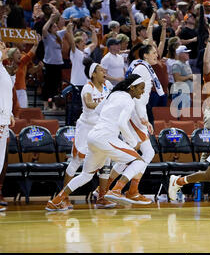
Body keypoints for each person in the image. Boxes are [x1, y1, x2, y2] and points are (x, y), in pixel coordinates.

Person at [46, 74, 146, 211]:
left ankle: (56, 200)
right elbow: (122, 123)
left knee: (86, 175)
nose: (143, 91)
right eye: (141, 88)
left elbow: (98, 110)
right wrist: (133, 142)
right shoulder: (129, 101)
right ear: (132, 87)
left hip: (93, 136)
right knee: (139, 161)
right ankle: (116, 190)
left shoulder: (113, 94)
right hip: (106, 137)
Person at [102, 44, 163, 205]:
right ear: (145, 55)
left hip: (135, 114)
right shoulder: (143, 69)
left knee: (131, 155)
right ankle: (123, 189)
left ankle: (106, 190)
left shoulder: (141, 67)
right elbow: (137, 97)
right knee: (147, 153)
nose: (157, 55)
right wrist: (143, 118)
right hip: (135, 115)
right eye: (154, 53)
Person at [62, 58, 115, 209]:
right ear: (93, 74)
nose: (104, 71)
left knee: (106, 161)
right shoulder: (88, 88)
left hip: (102, 129)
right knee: (76, 161)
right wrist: (107, 104)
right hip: (86, 129)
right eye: (100, 70)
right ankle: (63, 197)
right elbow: (89, 103)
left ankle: (102, 197)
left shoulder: (108, 86)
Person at [0, 49, 15, 212]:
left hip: (4, 119)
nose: (4, 49)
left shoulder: (3, 69)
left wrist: (10, 113)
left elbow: (4, 94)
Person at [42, 12, 66, 111]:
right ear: (51, 29)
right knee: (48, 85)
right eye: (54, 27)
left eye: (57, 26)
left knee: (56, 86)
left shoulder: (58, 35)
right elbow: (44, 29)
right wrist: (51, 19)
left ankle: (55, 105)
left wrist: (67, 21)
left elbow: (66, 29)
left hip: (58, 64)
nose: (56, 28)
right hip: (49, 64)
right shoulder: (47, 37)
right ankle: (46, 104)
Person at [171, 45, 194, 111]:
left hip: (186, 92)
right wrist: (189, 76)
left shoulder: (186, 64)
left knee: (185, 114)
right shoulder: (177, 64)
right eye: (186, 53)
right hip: (180, 92)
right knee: (181, 113)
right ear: (180, 54)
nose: (188, 54)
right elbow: (177, 79)